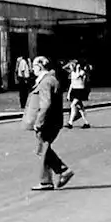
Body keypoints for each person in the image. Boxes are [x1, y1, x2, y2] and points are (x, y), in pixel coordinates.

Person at [24, 56, 73, 192]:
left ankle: (62, 171)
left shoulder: (46, 82)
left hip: (48, 122)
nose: (32, 68)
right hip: (54, 120)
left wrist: (39, 122)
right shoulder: (51, 79)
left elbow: (46, 104)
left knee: (43, 149)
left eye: (33, 66)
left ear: (40, 66)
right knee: (44, 149)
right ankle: (48, 180)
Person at [65, 60, 91, 129]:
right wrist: (68, 93)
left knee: (73, 105)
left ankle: (70, 122)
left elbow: (77, 77)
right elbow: (72, 83)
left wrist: (77, 69)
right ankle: (86, 123)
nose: (70, 68)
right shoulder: (72, 73)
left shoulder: (82, 72)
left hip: (80, 90)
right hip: (75, 90)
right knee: (80, 108)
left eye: (71, 66)